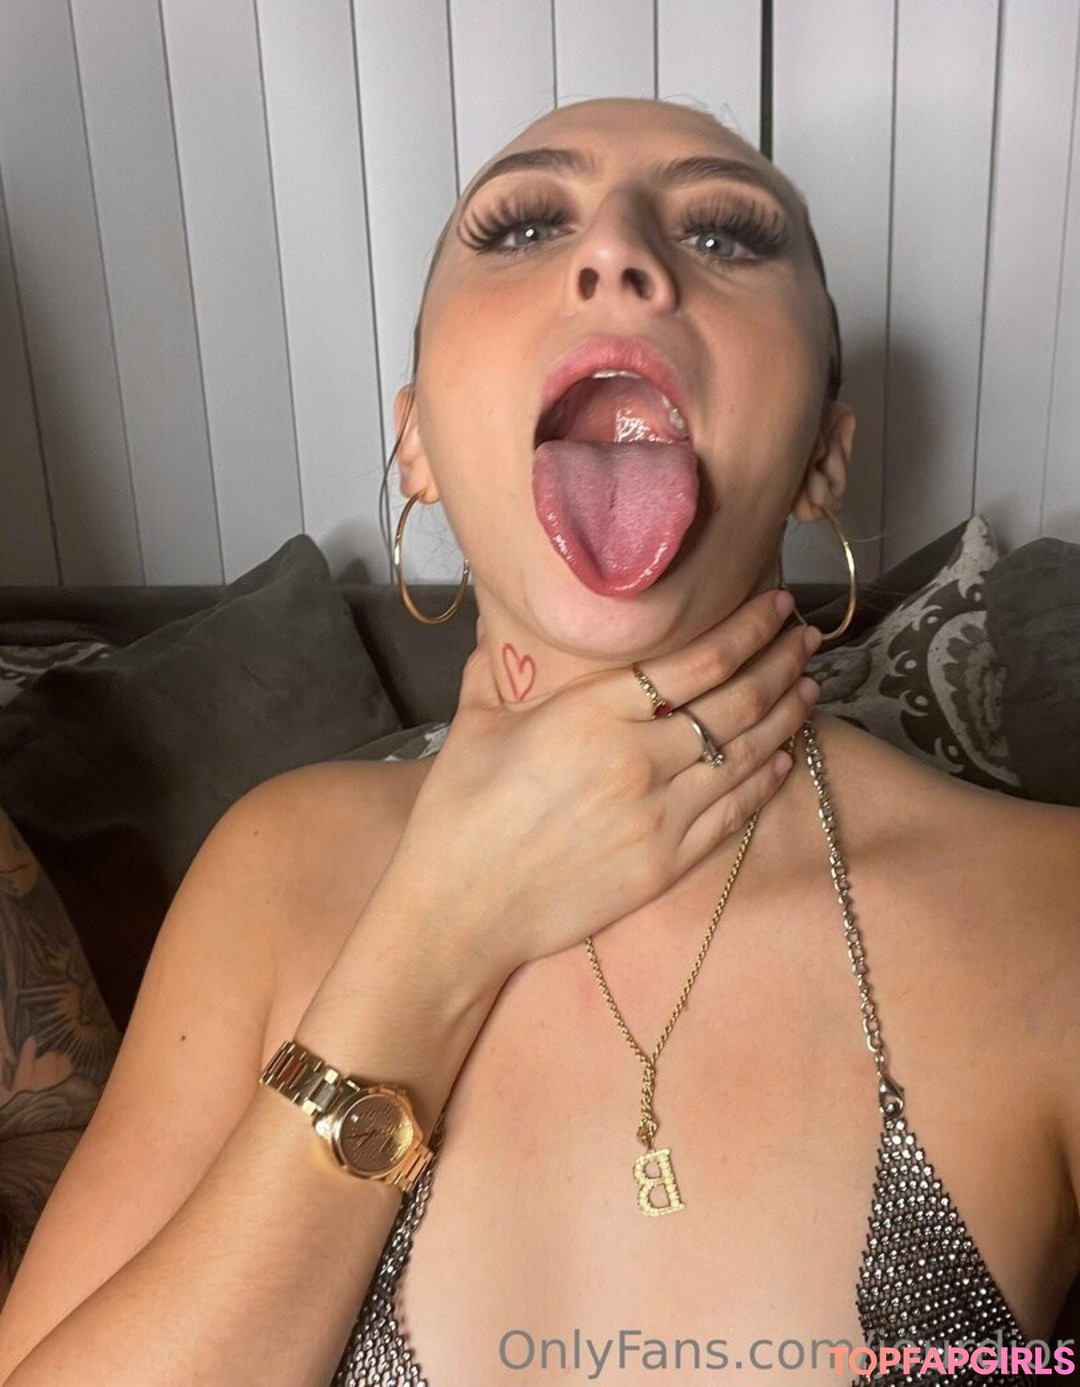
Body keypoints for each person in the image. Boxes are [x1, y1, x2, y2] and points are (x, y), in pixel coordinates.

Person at [1, 95, 1078, 1387]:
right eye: (521, 227)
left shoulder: (1049, 907)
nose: (618, 251)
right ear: (416, 445)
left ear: (823, 461)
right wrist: (438, 934)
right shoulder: (275, 871)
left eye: (726, 236)